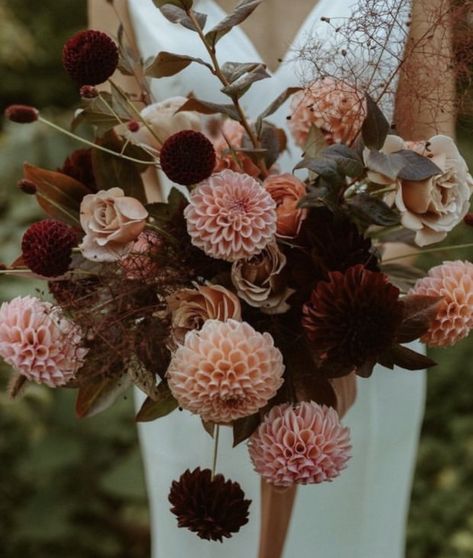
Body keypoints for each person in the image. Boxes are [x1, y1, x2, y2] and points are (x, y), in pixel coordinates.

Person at [88, 1, 455, 557]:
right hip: (197, 345)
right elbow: (127, 178)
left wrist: (329, 323)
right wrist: (209, 306)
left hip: (358, 341)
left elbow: (436, 173)